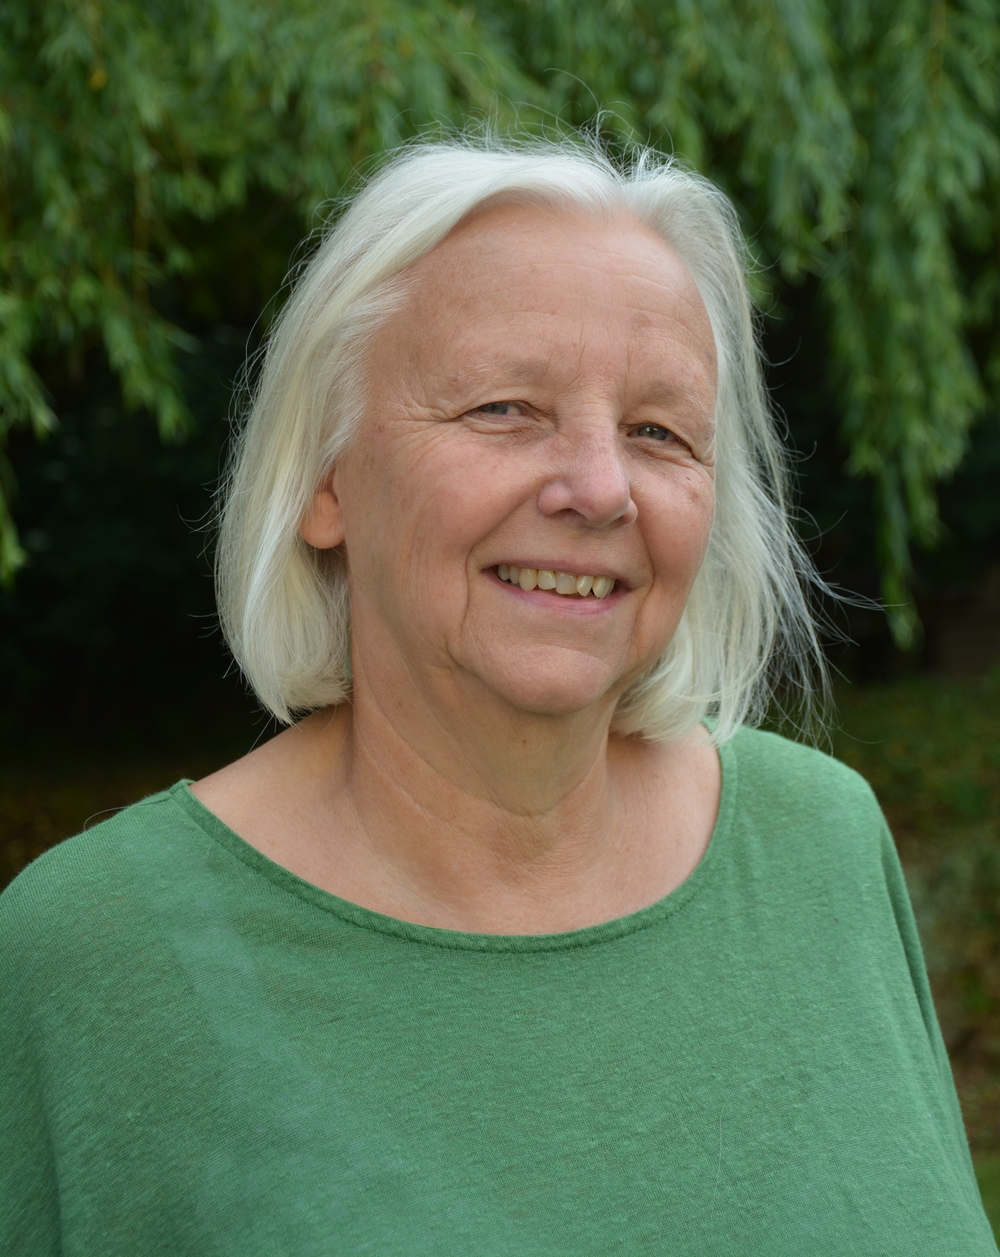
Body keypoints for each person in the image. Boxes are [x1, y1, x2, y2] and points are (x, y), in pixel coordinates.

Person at [1, 137, 995, 1256]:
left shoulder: (822, 843)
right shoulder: (95, 955)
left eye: (658, 431)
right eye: (505, 408)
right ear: (324, 478)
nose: (601, 489)